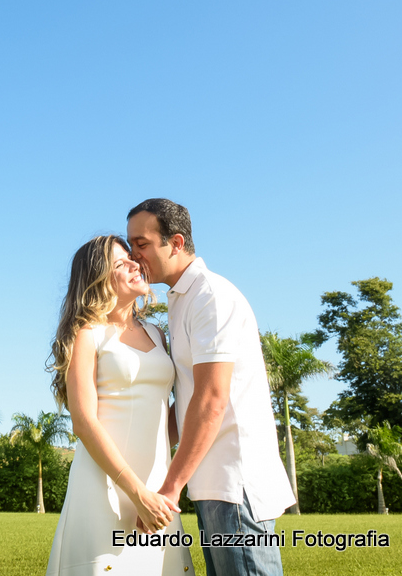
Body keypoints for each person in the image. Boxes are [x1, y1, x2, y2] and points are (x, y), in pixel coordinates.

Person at [127, 199, 295, 576]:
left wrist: (170, 488)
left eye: (142, 244)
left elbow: (211, 401)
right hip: (210, 483)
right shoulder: (180, 300)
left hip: (234, 482)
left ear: (177, 242)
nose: (133, 255)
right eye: (130, 244)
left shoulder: (210, 297)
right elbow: (187, 399)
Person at [45, 235, 193, 576]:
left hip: (156, 484)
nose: (134, 263)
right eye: (119, 263)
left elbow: (166, 413)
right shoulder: (89, 334)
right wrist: (136, 492)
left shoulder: (157, 333)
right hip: (104, 487)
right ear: (98, 278)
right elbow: (83, 422)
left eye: (132, 256)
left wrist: (157, 488)